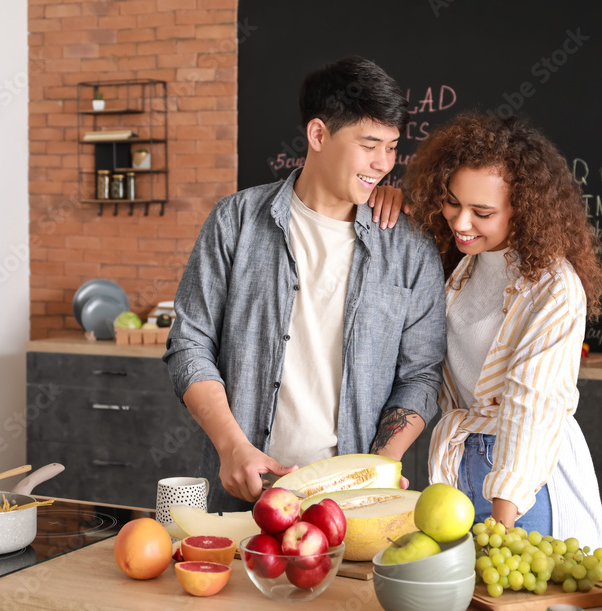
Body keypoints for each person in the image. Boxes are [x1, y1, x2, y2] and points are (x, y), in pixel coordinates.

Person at [163, 56, 447, 513]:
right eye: (370, 144)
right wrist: (232, 446)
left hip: (354, 506)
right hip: (243, 493)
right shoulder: (235, 221)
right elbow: (189, 343)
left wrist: (383, 463)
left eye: (392, 147)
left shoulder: (410, 248)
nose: (384, 164)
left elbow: (420, 375)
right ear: (318, 135)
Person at [372, 111, 602, 548]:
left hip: (528, 483)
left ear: (524, 209)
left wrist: (504, 515)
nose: (460, 223)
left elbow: (531, 404)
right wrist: (385, 197)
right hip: (460, 468)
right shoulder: (457, 267)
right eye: (451, 201)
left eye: (481, 212)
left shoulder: (554, 286)